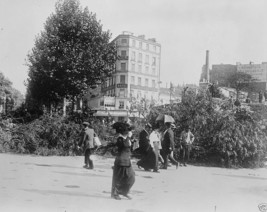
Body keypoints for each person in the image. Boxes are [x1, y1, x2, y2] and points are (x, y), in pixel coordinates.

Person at [111, 122, 135, 200]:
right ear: (123, 131)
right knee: (118, 178)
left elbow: (129, 148)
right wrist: (128, 137)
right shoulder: (120, 139)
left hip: (127, 160)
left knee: (131, 177)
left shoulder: (125, 138)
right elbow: (123, 146)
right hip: (121, 160)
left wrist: (130, 138)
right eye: (127, 130)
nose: (129, 131)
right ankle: (115, 193)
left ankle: (124, 191)